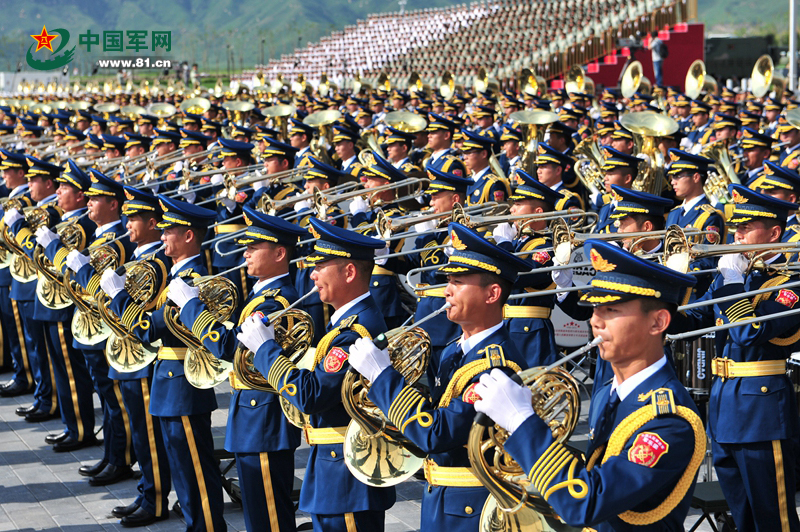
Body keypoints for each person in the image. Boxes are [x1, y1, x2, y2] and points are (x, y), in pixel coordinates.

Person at [474, 239, 705, 531]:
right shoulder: (610, 391)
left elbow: (586, 502)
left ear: (658, 322)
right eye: (595, 308)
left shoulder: (669, 420)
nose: (596, 321)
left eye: (612, 310)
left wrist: (523, 423)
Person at [347, 222, 530, 532]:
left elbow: (438, 433)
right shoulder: (454, 351)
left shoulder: (496, 364)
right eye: (448, 281)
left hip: (469, 506)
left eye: (458, 282)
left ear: (492, 294)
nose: (446, 291)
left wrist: (381, 376)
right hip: (444, 500)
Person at [237, 217, 395, 532]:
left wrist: (267, 349)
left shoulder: (355, 332)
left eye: (320, 267)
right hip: (335, 467)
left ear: (349, 272)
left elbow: (310, 396)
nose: (312, 275)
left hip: (346, 476)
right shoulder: (346, 324)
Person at [671, 184, 800, 532]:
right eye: (737, 226)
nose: (737, 233)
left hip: (761, 412)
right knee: (740, 517)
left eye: (746, 227)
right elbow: (692, 319)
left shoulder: (791, 282)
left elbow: (749, 332)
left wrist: (730, 281)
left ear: (774, 232)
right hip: (725, 405)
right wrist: (668, 287)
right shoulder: (736, 274)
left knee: (773, 518)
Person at [172, 207, 305, 532]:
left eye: (253, 247)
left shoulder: (277, 301)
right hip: (253, 419)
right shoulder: (261, 294)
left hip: (264, 421)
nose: (245, 253)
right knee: (259, 517)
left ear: (279, 253)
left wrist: (192, 307)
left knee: (270, 520)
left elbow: (232, 350)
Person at [101, 195, 226, 532]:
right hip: (171, 382)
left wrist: (119, 296)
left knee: (195, 470)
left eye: (170, 230)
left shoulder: (193, 278)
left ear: (188, 236)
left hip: (183, 384)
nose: (163, 235)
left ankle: (206, 528)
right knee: (184, 468)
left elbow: (147, 329)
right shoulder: (177, 274)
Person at [66, 185, 172, 525]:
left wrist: (88, 274)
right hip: (126, 355)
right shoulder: (140, 258)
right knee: (140, 434)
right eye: (126, 217)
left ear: (152, 224)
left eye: (135, 219)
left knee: (147, 436)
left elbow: (122, 305)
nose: (128, 225)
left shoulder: (154, 264)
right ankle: (146, 491)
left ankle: (155, 499)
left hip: (140, 358)